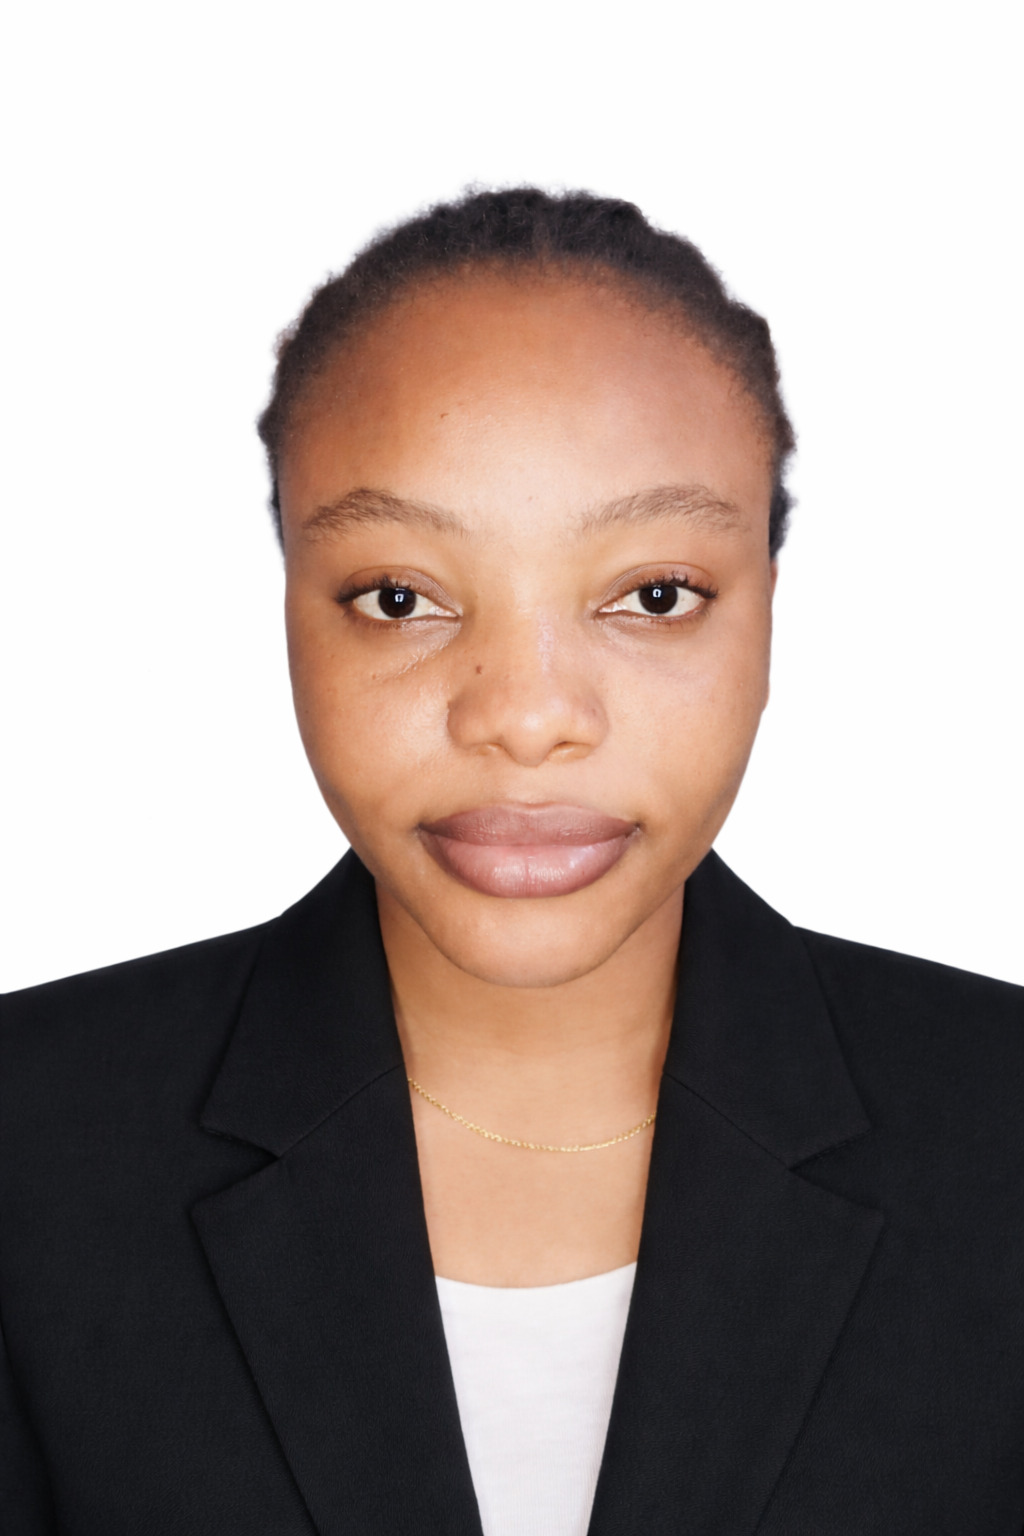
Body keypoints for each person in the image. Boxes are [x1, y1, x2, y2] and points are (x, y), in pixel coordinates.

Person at [1, 187, 1022, 1536]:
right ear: (290, 602)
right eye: (401, 598)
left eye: (653, 596)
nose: (528, 717)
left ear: (768, 606)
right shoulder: (28, 1146)